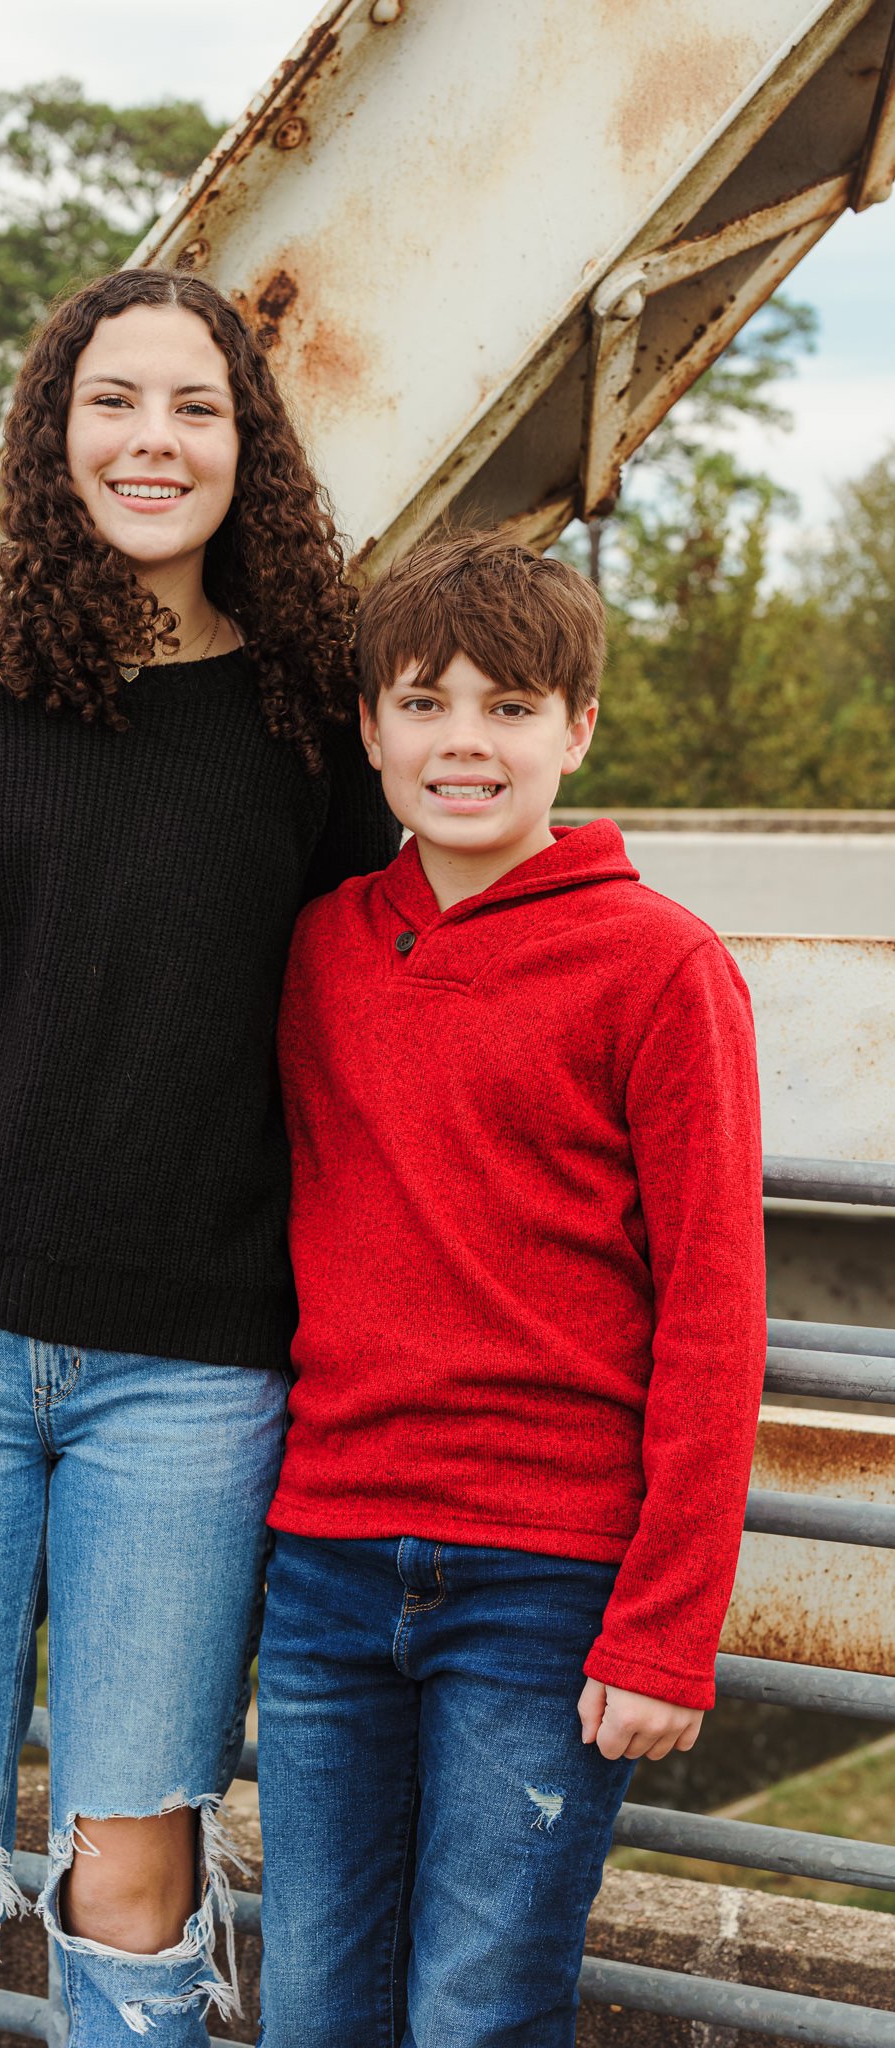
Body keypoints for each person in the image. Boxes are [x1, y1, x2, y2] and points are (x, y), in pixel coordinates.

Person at [0, 266, 398, 2046]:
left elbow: (387, 1014)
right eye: (113, 402)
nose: (152, 441)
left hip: (191, 1375)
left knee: (133, 1865)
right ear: (53, 441)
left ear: (245, 445)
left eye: (195, 406)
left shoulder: (307, 720)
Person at [255, 532, 767, 2047]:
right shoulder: (318, 955)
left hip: (545, 1581)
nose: (462, 741)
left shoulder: (660, 967)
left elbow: (712, 1312)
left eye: (508, 706)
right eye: (421, 703)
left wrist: (665, 1624)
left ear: (577, 729)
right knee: (313, 1998)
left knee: (479, 2006)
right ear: (367, 731)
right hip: (326, 1559)